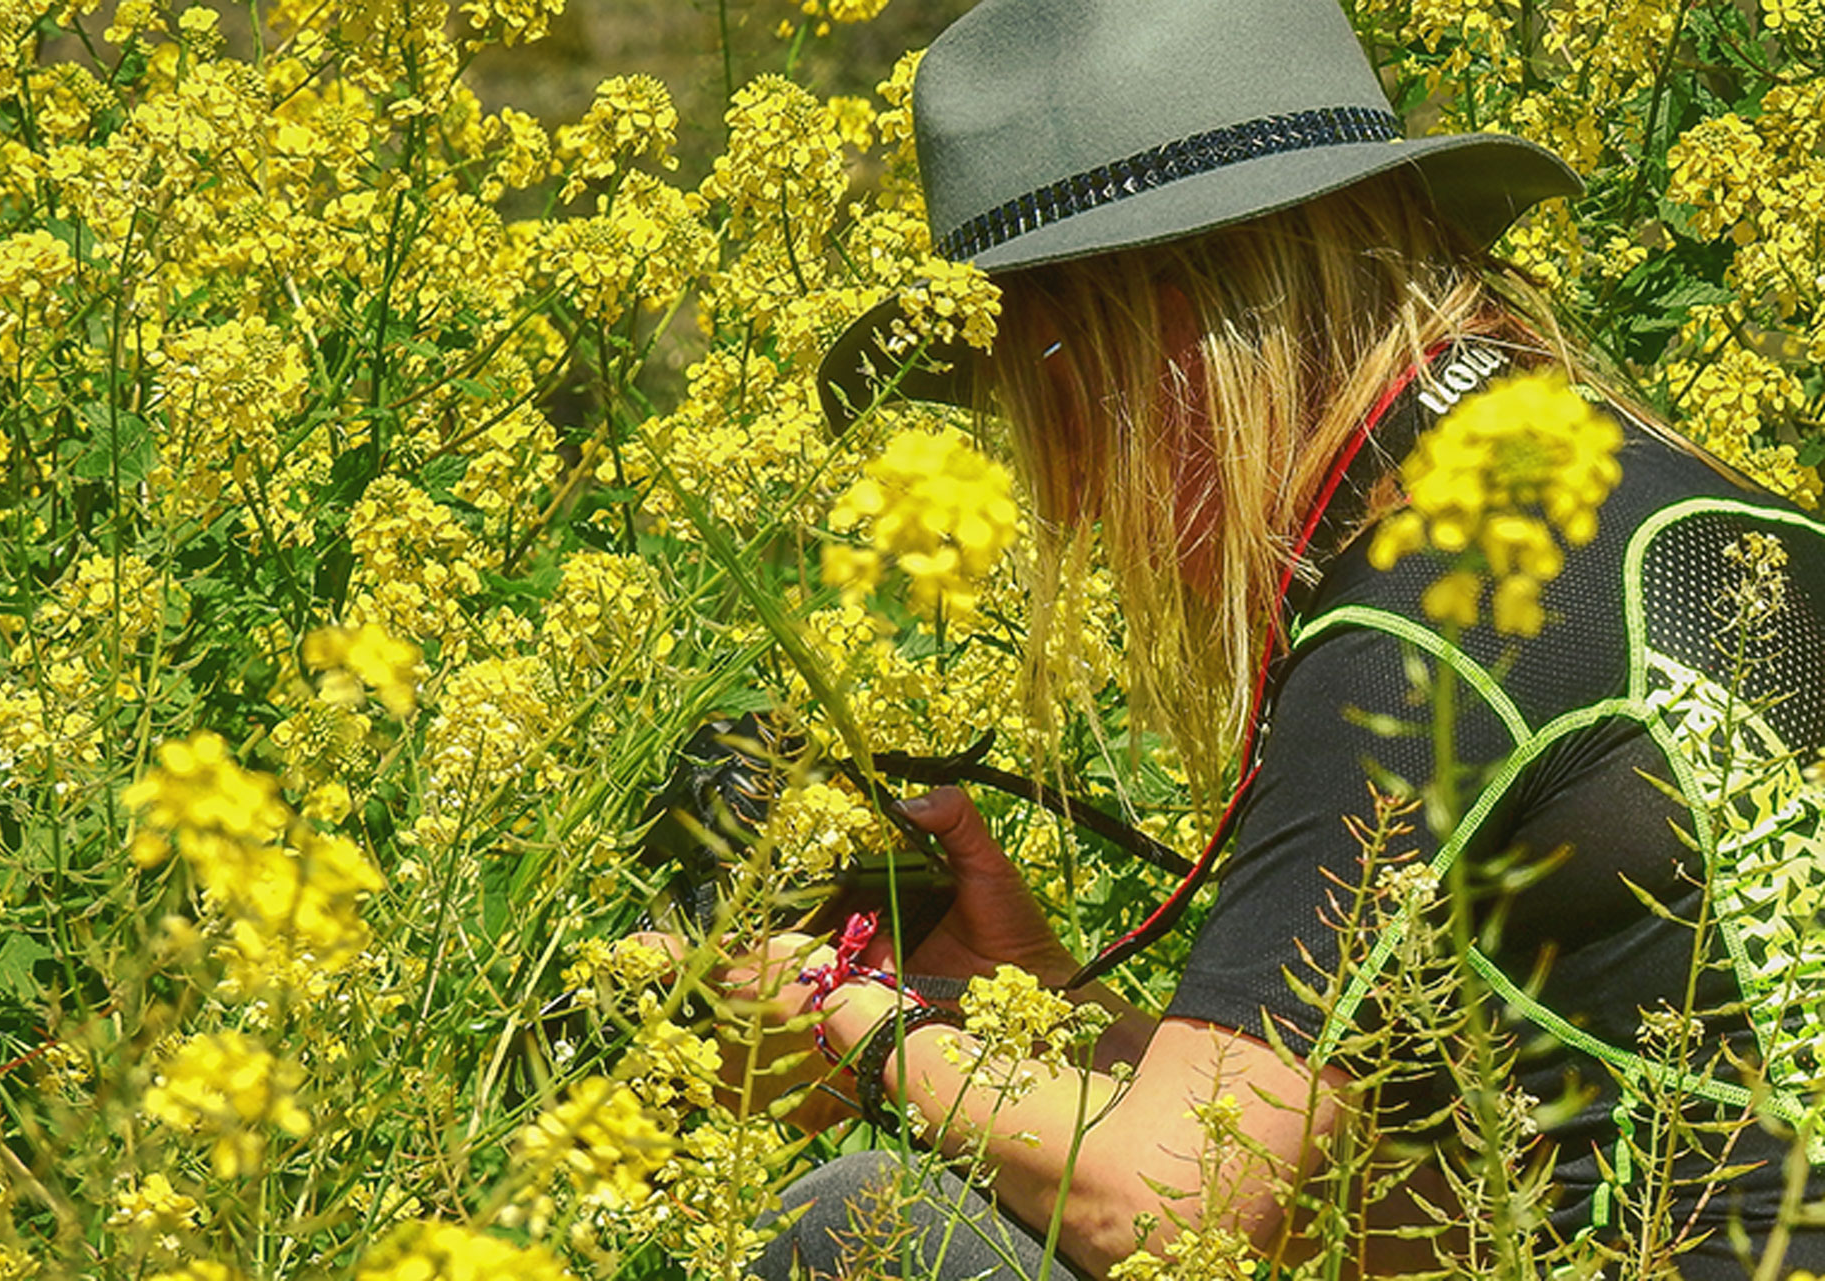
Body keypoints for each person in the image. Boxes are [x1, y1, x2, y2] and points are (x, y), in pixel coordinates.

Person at [651, 0, 1825, 1277]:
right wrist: (1041, 1013)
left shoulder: (1426, 619)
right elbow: (1402, 1209)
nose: (1077, 501)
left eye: (1036, 393)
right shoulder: (1687, 510)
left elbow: (1168, 1213)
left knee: (860, 1224)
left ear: (1158, 348)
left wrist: (846, 1018)